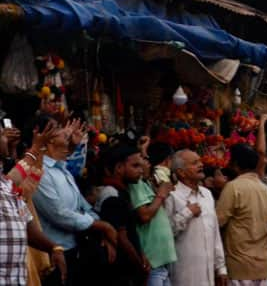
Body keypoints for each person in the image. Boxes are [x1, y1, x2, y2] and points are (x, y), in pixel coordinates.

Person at [32, 118, 118, 285]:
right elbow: (59, 214)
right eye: (58, 128)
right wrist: (102, 226)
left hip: (74, 250)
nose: (66, 131)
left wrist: (98, 227)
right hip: (54, 254)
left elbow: (82, 206)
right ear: (46, 138)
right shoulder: (39, 172)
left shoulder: (61, 170)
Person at [164, 149, 227, 286]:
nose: (201, 165)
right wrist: (187, 213)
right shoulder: (172, 196)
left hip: (209, 275)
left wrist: (221, 268)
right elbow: (166, 234)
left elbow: (215, 232)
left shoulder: (207, 194)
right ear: (181, 172)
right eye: (195, 163)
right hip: (185, 275)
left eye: (200, 161)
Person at [216, 143, 267, 286]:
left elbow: (216, 222)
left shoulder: (234, 187)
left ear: (235, 165)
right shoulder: (264, 189)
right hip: (262, 265)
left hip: (239, 266)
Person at [99, 145, 151, 286]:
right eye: (135, 166)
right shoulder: (112, 194)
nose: (141, 170)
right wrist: (139, 264)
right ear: (119, 168)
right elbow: (121, 237)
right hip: (119, 272)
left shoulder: (122, 192)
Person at [129, 144, 176, 286]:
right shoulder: (135, 185)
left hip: (162, 261)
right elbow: (144, 215)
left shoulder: (146, 183)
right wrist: (161, 195)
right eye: (143, 159)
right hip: (152, 261)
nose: (148, 161)